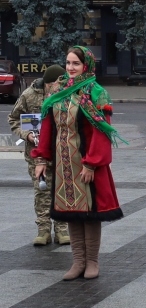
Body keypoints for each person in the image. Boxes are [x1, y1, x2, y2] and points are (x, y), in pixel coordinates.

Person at [32, 47, 125, 280]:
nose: (71, 68)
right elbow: (47, 126)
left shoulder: (96, 92)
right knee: (71, 212)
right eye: (68, 63)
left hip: (86, 164)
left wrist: (91, 163)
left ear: (87, 66)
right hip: (64, 165)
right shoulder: (58, 90)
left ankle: (92, 262)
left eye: (76, 63)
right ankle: (78, 262)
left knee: (90, 212)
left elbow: (101, 132)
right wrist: (41, 158)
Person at [8, 64, 67, 245]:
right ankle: (43, 231)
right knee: (42, 192)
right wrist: (27, 135)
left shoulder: (65, 95)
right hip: (36, 154)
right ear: (48, 83)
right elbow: (14, 119)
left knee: (61, 191)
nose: (60, 86)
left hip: (60, 153)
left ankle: (62, 230)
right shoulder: (29, 95)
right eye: (57, 83)